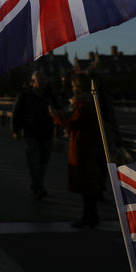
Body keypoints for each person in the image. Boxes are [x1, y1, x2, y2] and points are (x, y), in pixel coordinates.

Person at [50, 74, 102, 229]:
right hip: (86, 147)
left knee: (86, 185)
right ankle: (89, 216)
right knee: (88, 185)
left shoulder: (84, 105)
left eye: (74, 86)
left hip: (83, 148)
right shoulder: (87, 103)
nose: (72, 89)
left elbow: (72, 125)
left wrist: (55, 117)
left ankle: (89, 217)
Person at [12, 71, 58, 199]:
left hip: (47, 133)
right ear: (33, 82)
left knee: (43, 163)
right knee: (34, 162)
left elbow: (59, 109)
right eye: (40, 81)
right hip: (31, 133)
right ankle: (38, 187)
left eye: (44, 80)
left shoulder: (50, 95)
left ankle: (38, 185)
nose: (43, 83)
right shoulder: (25, 96)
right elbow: (16, 113)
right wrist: (16, 130)